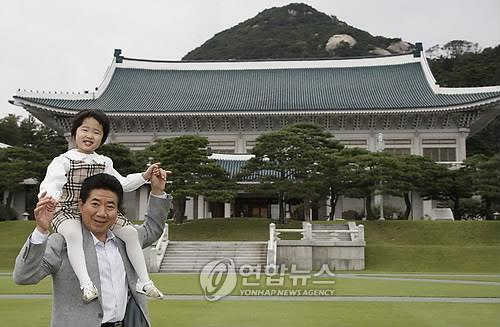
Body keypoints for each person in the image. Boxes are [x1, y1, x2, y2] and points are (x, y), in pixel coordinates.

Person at [14, 172, 171, 327]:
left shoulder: (125, 241)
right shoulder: (62, 243)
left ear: (117, 211)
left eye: (110, 206)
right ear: (81, 206)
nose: (102, 213)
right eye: (95, 204)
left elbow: (152, 230)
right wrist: (41, 231)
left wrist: (157, 192)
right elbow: (24, 276)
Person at [38, 109, 163, 302]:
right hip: (68, 208)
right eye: (85, 130)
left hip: (99, 210)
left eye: (97, 132)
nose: (90, 136)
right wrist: (50, 199)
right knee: (72, 234)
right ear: (75, 132)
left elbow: (120, 184)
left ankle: (144, 281)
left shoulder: (104, 162)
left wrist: (144, 177)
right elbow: (51, 184)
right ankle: (86, 283)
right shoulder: (62, 161)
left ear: (103, 138)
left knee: (130, 233)